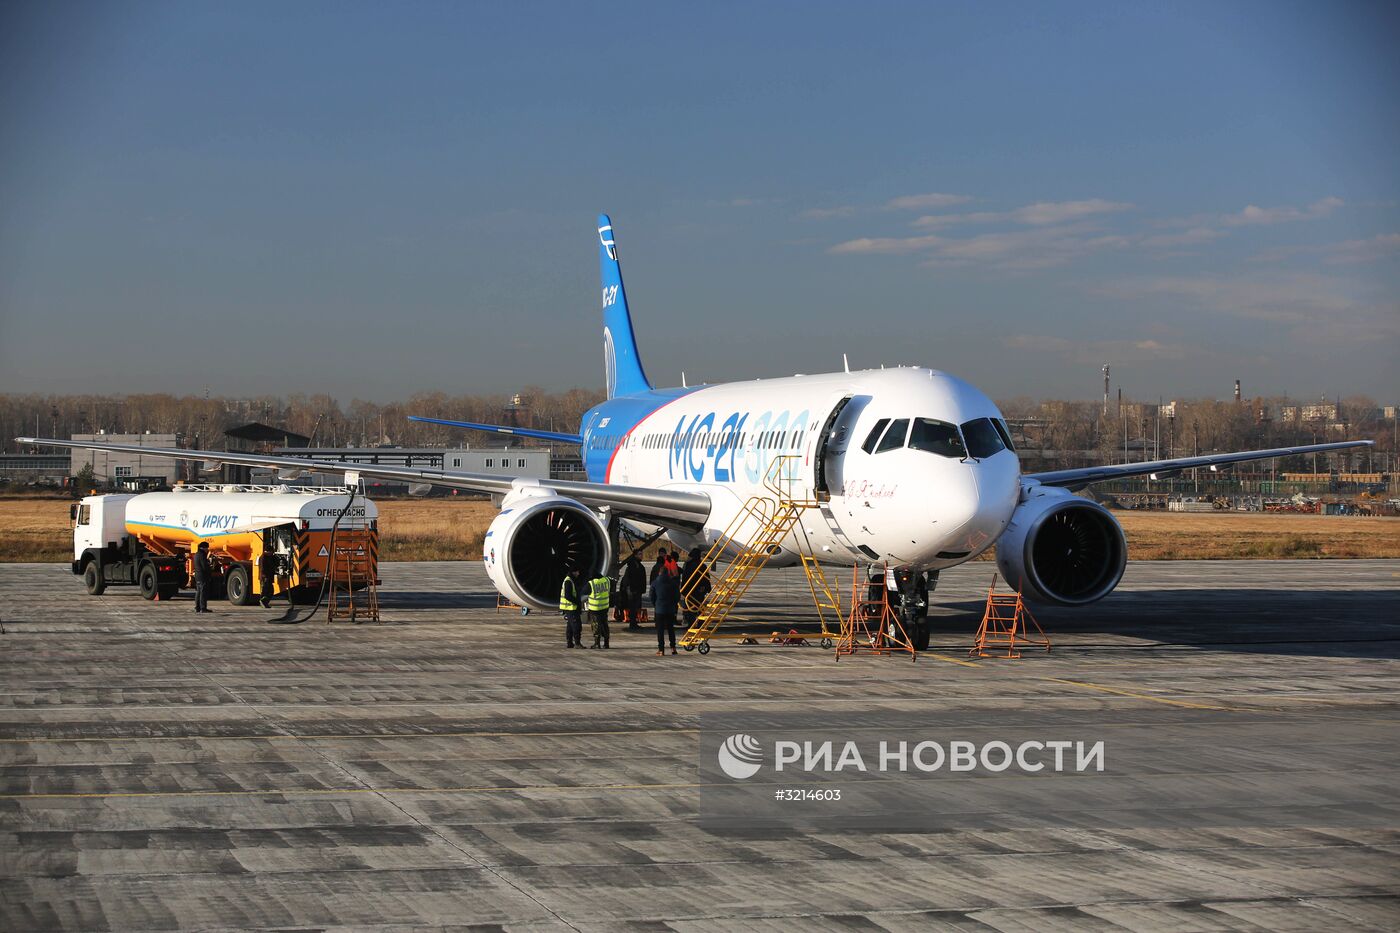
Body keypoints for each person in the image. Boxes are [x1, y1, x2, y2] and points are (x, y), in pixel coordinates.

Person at [649, 557, 680, 655]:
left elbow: (651, 597)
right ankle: (673, 648)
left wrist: (656, 605)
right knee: (671, 629)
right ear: (668, 573)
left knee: (660, 630)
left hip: (660, 609)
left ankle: (661, 649)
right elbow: (677, 596)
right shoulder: (673, 583)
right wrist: (674, 604)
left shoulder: (655, 583)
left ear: (659, 573)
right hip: (670, 609)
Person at [680, 547, 710, 632]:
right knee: (700, 608)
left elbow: (685, 577)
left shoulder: (687, 564)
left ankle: (690, 624)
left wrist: (683, 589)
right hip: (699, 591)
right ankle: (701, 624)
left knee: (690, 608)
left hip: (689, 590)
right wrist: (707, 589)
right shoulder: (702, 565)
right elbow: (706, 578)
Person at [585, 570, 611, 648]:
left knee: (596, 625)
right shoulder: (606, 580)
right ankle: (606, 643)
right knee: (604, 624)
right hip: (605, 607)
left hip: (595, 608)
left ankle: (597, 643)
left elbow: (584, 592)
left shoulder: (592, 583)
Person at [620, 554, 646, 630]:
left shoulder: (638, 566)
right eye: (640, 554)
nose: (642, 556)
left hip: (636, 590)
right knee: (633, 608)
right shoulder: (632, 567)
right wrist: (630, 589)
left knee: (635, 607)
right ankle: (632, 624)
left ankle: (634, 623)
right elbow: (627, 580)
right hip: (633, 590)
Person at [559, 568, 584, 648]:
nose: (578, 573)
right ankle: (577, 643)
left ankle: (569, 643)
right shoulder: (568, 581)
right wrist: (577, 601)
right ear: (573, 572)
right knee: (577, 626)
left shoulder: (571, 580)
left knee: (570, 626)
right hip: (570, 607)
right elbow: (568, 596)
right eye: (577, 572)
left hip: (571, 607)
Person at [192, 541, 211, 613]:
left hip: (197, 575)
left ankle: (197, 607)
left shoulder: (196, 554)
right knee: (203, 592)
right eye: (207, 548)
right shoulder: (202, 554)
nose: (207, 549)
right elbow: (204, 566)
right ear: (203, 548)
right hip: (203, 575)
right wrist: (209, 569)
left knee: (198, 592)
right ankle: (203, 608)